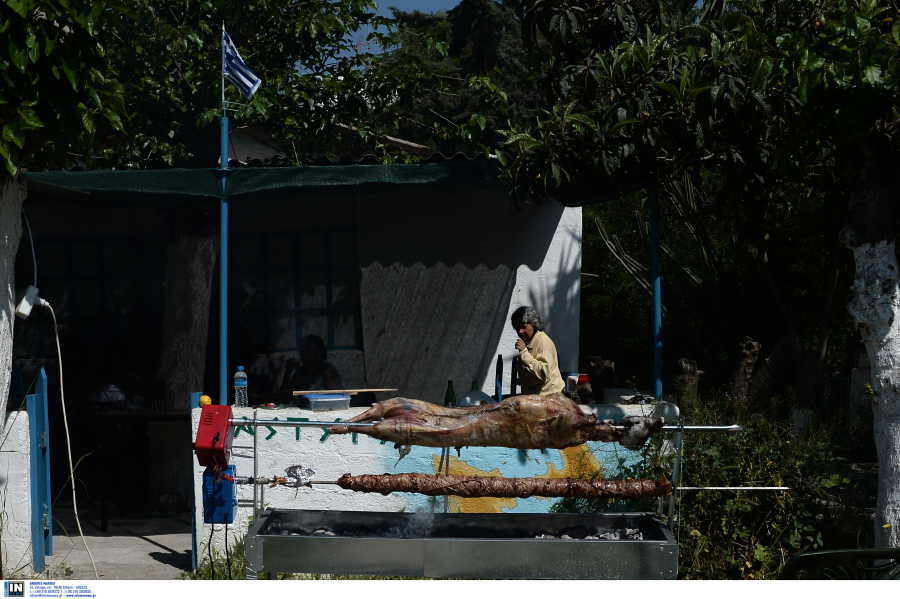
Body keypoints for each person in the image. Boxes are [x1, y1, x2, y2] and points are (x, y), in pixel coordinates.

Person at [511, 306, 565, 396]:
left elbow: (542, 372)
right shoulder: (530, 342)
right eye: (517, 328)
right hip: (536, 399)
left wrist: (524, 353)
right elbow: (533, 370)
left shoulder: (543, 343)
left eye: (524, 327)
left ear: (534, 325)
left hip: (549, 399)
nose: (520, 331)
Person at [280, 335, 344, 405]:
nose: (303, 350)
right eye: (301, 347)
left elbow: (338, 401)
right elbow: (285, 398)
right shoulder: (301, 371)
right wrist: (288, 372)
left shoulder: (328, 372)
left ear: (319, 352)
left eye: (307, 347)